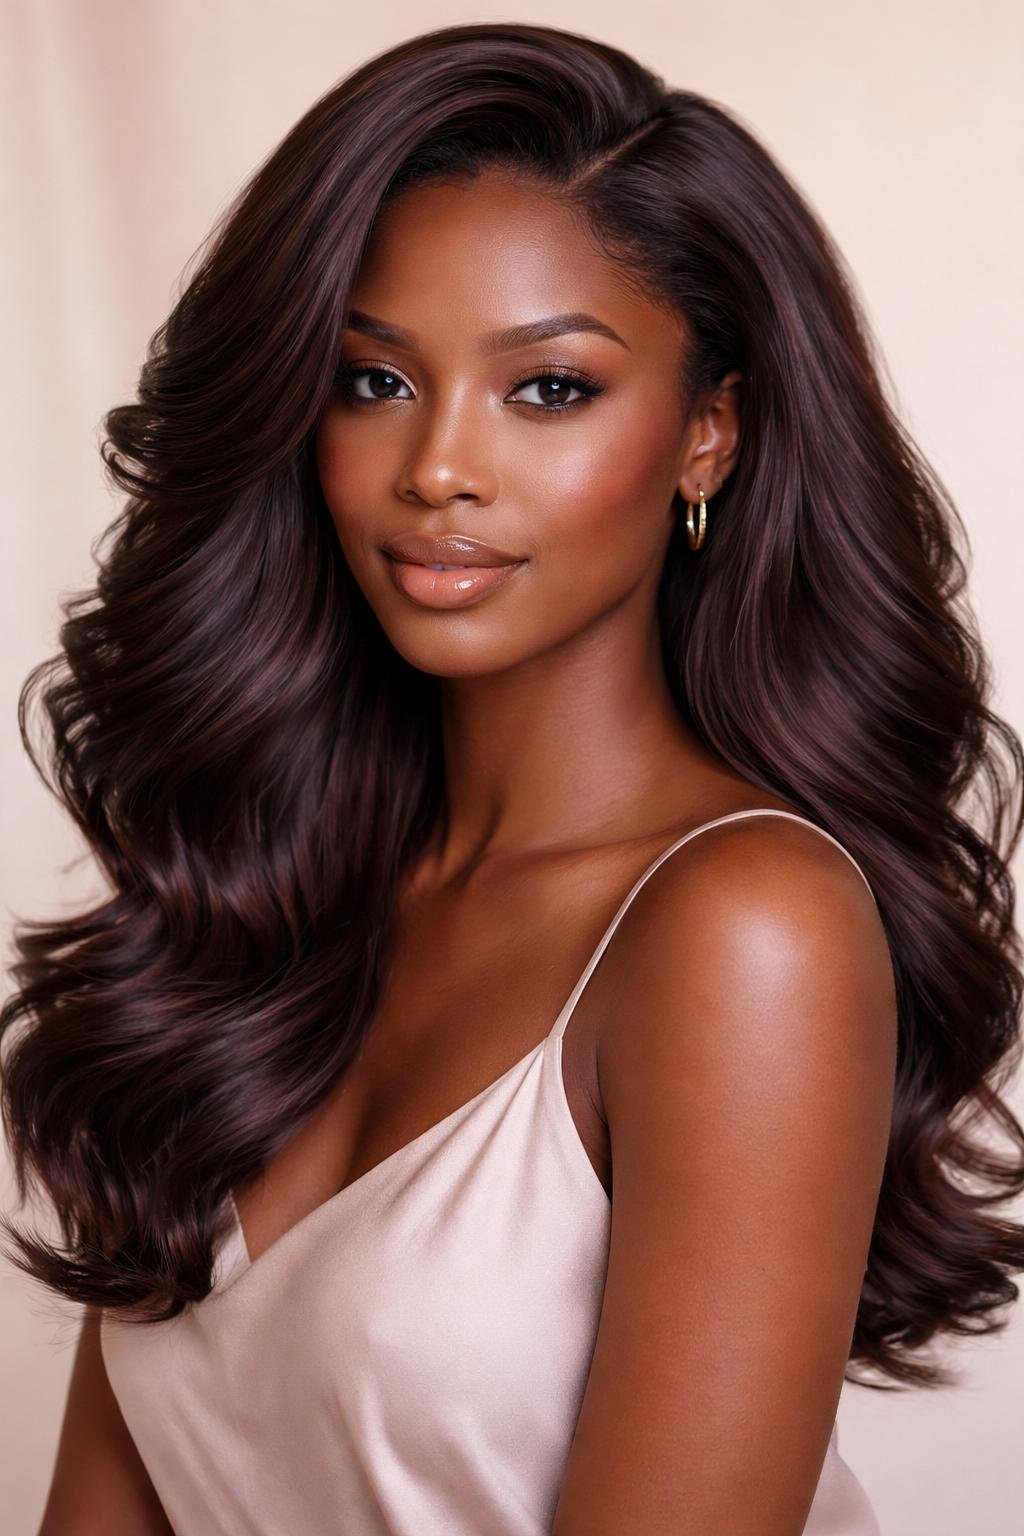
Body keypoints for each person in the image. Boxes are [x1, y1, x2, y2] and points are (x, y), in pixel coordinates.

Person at [5, 20, 1023, 1536]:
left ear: (708, 436)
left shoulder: (747, 927)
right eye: (371, 382)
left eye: (547, 389)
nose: (438, 470)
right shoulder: (257, 898)